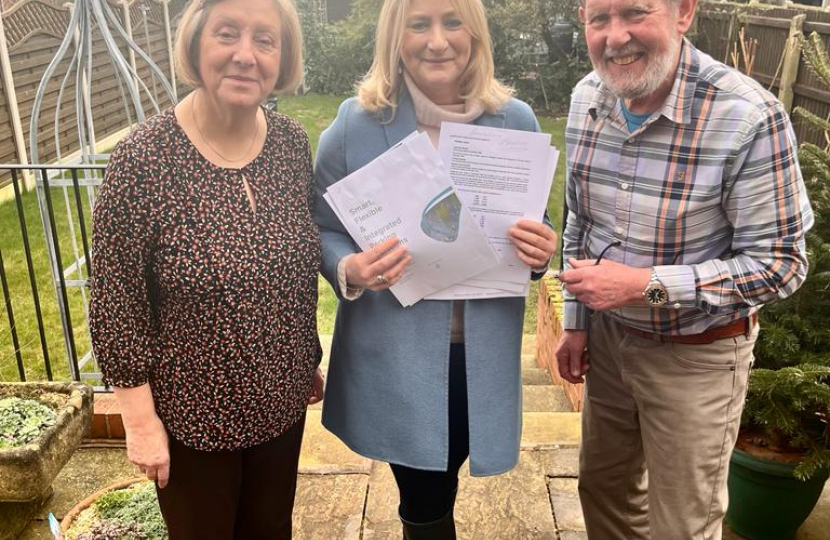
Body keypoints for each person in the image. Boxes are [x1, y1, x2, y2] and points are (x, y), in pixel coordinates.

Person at [556, 0, 814, 538]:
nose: (615, 36)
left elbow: (782, 263)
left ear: (684, 12)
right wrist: (576, 321)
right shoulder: (587, 97)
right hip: (606, 343)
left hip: (697, 356)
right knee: (602, 490)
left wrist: (647, 286)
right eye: (598, 19)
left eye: (635, 13)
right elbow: (579, 219)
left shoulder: (748, 116)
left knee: (683, 522)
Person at [88, 0, 323, 538]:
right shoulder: (143, 160)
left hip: (281, 404)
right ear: (196, 44)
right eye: (227, 33)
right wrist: (141, 423)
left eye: (265, 40)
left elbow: (289, 268)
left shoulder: (290, 145)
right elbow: (115, 304)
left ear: (281, 58)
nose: (245, 55)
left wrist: (304, 354)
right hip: (191, 421)